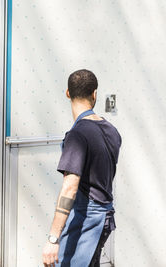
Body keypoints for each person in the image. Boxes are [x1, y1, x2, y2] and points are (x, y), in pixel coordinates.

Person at [42, 69, 122, 267]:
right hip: (104, 216)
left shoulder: (77, 135)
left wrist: (53, 239)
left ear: (68, 93)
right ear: (94, 94)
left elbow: (70, 187)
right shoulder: (112, 131)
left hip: (87, 219)